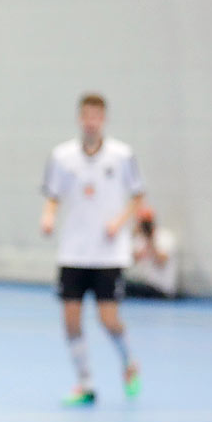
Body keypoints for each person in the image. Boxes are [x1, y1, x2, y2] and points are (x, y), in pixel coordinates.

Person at [40, 92, 146, 404]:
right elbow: (53, 195)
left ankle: (129, 363)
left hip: (108, 254)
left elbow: (138, 195)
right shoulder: (62, 157)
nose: (91, 122)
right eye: (86, 116)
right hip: (73, 251)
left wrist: (120, 221)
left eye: (96, 116)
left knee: (108, 319)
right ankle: (85, 383)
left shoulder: (122, 156)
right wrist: (48, 216)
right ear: (79, 118)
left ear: (104, 120)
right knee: (70, 320)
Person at [127, 205, 178, 298]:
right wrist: (133, 235)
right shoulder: (139, 239)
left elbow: (162, 260)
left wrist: (151, 241)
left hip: (161, 289)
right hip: (144, 286)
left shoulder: (164, 236)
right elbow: (131, 262)